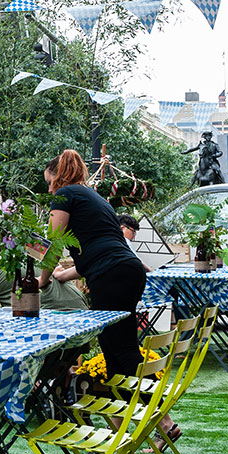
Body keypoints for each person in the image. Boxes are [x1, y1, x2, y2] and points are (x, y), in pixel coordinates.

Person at [41, 150, 147, 378]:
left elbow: (55, 243)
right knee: (112, 344)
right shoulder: (94, 198)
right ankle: (123, 412)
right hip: (129, 271)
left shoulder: (64, 195)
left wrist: (42, 279)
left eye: (50, 183)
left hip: (112, 276)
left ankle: (161, 413)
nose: (50, 190)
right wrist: (62, 275)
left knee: (121, 348)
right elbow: (98, 252)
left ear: (59, 177)